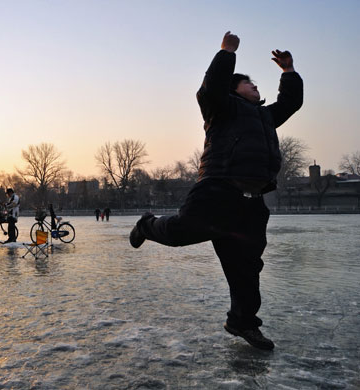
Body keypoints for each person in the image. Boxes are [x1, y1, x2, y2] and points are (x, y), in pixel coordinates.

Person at [129, 31, 303, 350]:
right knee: (181, 231)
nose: (255, 86)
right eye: (248, 83)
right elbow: (210, 89)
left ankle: (242, 322)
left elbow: (291, 102)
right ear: (234, 89)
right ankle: (146, 224)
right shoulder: (222, 109)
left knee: (247, 268)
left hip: (251, 203)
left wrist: (289, 72)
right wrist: (226, 52)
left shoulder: (265, 116)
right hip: (218, 190)